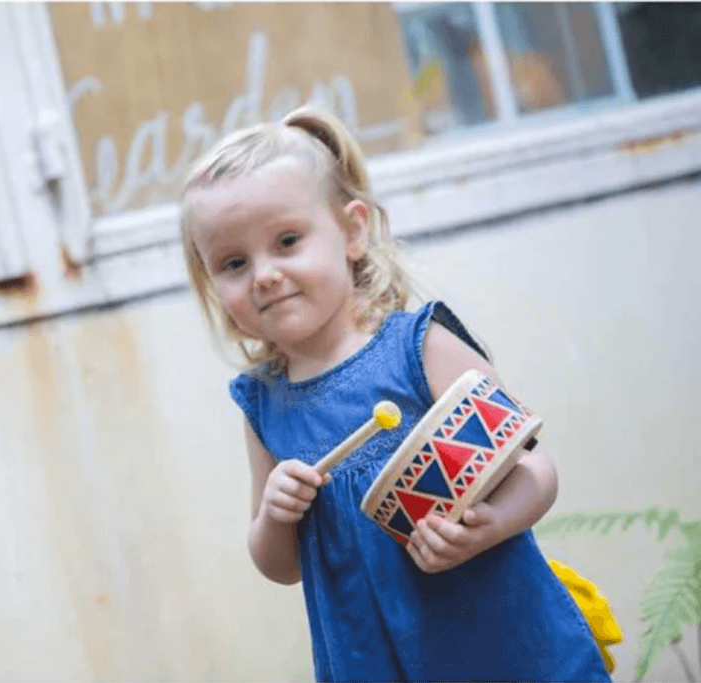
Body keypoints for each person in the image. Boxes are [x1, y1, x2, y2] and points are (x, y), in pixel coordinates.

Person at [178, 106, 612, 682]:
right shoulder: (264, 406)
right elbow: (280, 566)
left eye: (287, 241)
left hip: (506, 646)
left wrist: (495, 522)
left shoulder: (419, 348)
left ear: (352, 231)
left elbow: (536, 471)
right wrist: (275, 516)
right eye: (234, 263)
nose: (263, 275)